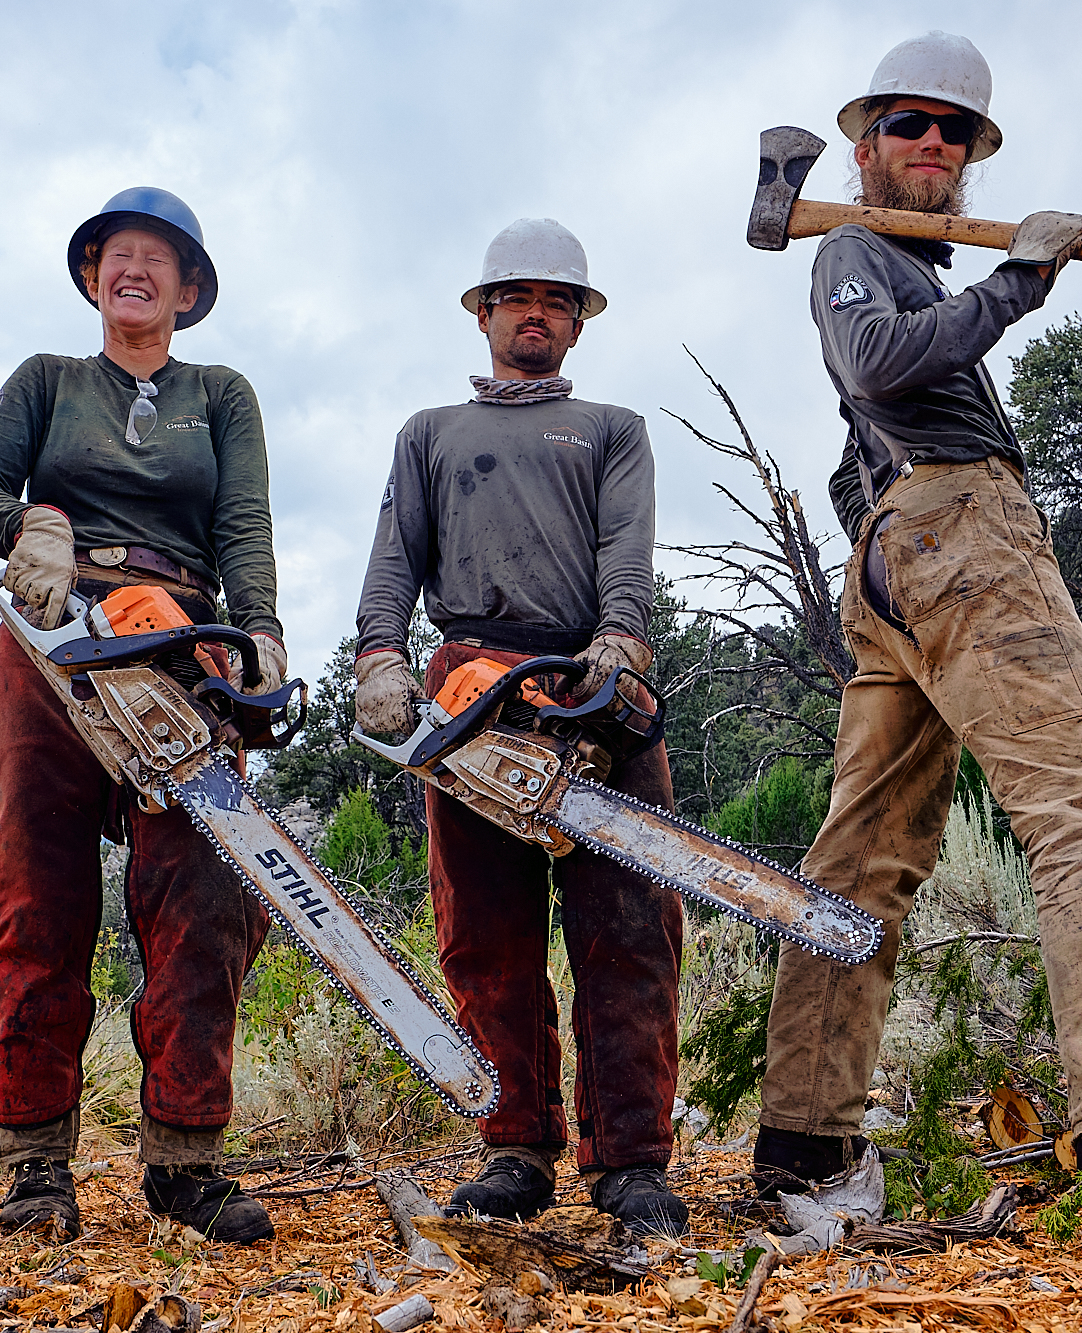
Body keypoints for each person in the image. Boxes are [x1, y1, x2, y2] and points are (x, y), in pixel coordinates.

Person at [751, 31, 1082, 1197]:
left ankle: (803, 1143)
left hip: (903, 556)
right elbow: (883, 366)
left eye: (954, 131)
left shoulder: (901, 263)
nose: (933, 143)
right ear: (863, 143)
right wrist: (1019, 284)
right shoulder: (851, 248)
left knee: (861, 858)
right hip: (962, 540)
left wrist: (887, 534)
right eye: (908, 124)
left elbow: (866, 415)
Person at [0, 187, 287, 1244]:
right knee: (32, 890)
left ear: (188, 289)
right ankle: (34, 1162)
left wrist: (260, 631)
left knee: (202, 890)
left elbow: (241, 525)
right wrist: (32, 525)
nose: (134, 270)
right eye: (116, 256)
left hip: (178, 635)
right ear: (93, 275)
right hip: (52, 635)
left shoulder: (219, 393)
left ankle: (185, 1156)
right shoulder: (46, 383)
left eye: (158, 260)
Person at [352, 219, 688, 1235]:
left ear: (576, 325)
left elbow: (625, 549)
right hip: (466, 682)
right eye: (518, 297)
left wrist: (620, 642)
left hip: (587, 675)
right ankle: (515, 1146)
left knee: (628, 930)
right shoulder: (428, 432)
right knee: (486, 933)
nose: (536, 312)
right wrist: (379, 653)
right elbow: (391, 554)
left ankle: (629, 1157)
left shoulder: (611, 428)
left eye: (558, 300)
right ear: (485, 312)